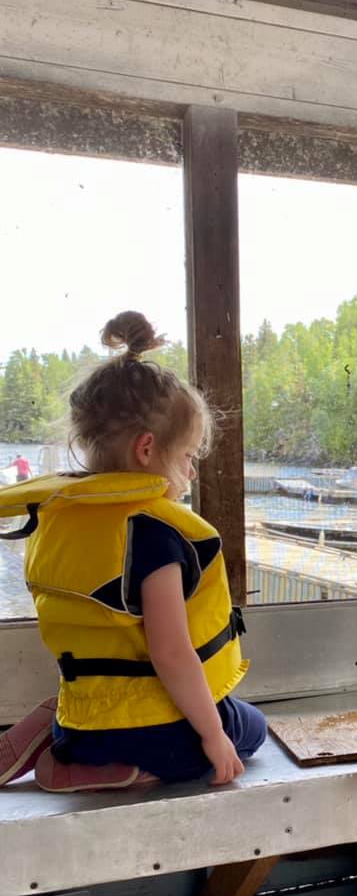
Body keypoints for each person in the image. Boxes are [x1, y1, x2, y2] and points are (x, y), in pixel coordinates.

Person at [0, 311, 266, 792]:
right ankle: (139, 769)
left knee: (99, 706)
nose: (191, 473)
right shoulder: (153, 533)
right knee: (250, 727)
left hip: (82, 723)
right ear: (147, 449)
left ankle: (65, 746)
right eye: (188, 457)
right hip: (155, 733)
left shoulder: (57, 518)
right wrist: (213, 736)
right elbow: (171, 653)